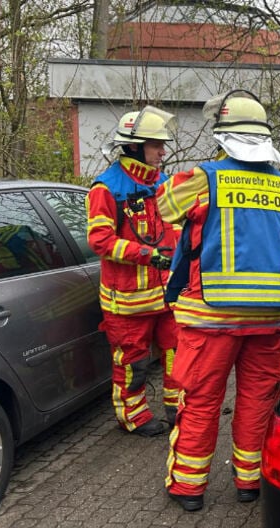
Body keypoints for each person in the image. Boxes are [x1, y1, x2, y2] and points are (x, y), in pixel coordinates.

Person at [157, 90, 280, 512]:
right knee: (257, 401)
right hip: (268, 319)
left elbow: (165, 207)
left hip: (210, 317)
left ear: (222, 137)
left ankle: (188, 488)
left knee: (201, 401)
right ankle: (249, 482)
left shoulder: (204, 179)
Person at [87, 106, 181, 437]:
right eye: (156, 145)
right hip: (127, 302)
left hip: (167, 296)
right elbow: (100, 241)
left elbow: (177, 229)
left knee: (178, 355)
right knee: (133, 364)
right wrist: (146, 255)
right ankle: (134, 416)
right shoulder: (106, 188)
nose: (162, 152)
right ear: (134, 147)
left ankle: (178, 411)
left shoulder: (163, 183)